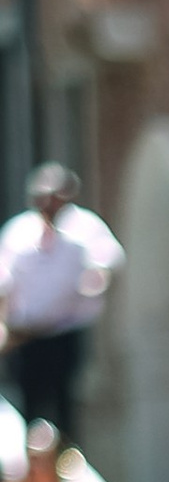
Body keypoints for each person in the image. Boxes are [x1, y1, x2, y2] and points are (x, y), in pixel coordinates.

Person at [0, 167, 122, 442]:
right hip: (26, 337)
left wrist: (91, 284)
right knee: (28, 405)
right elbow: (5, 282)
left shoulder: (85, 227)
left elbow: (106, 264)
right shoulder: (19, 232)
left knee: (64, 403)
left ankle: (67, 461)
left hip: (63, 334)